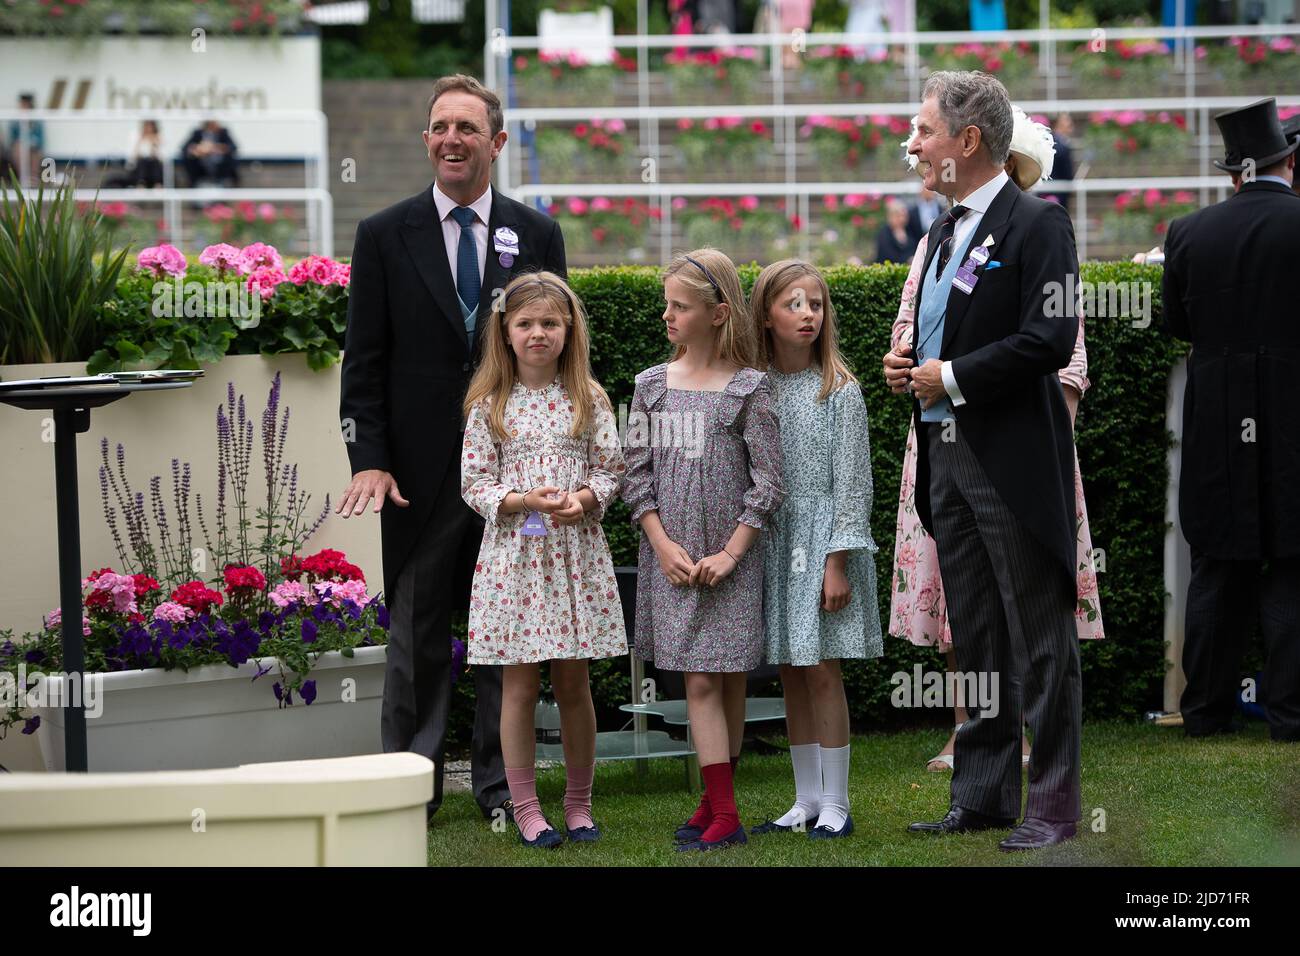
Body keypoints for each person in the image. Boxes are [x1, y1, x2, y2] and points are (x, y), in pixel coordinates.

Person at [337, 74, 568, 823]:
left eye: (467, 128)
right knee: (416, 640)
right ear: (427, 139)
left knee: (510, 638)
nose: (451, 140)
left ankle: (505, 791)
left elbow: (558, 355)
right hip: (417, 476)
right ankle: (411, 791)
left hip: (518, 476)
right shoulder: (381, 235)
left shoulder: (536, 235)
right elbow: (363, 362)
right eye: (439, 127)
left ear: (496, 142)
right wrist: (368, 458)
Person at [882, 71, 1082, 851]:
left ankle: (1057, 810)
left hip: (1011, 462)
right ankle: (985, 797)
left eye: (924, 130)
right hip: (946, 459)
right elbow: (946, 335)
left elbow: (1051, 339)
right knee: (978, 639)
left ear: (967, 141)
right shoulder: (937, 232)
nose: (913, 143)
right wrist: (911, 366)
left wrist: (952, 376)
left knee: (1039, 641)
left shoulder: (1039, 224)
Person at [623, 247, 784, 852]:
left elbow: (769, 482)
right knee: (700, 683)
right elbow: (635, 476)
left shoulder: (749, 389)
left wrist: (733, 553)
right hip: (674, 561)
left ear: (718, 315)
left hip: (729, 561)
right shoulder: (650, 388)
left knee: (726, 682)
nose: (667, 316)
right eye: (666, 304)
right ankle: (720, 808)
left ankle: (722, 810)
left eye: (680, 306)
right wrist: (661, 546)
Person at [460, 271, 628, 847]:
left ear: (568, 330)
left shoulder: (589, 397)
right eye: (526, 323)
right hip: (516, 562)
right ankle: (527, 807)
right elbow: (474, 481)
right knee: (519, 688)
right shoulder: (490, 405)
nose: (538, 333)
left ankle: (579, 803)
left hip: (573, 555)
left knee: (574, 683)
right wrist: (520, 501)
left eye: (550, 323)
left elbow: (612, 469)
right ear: (505, 332)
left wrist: (581, 501)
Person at [1162, 97, 1300, 743]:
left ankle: (1206, 710)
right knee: (1292, 562)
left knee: (1217, 560)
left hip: (1217, 414)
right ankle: (1289, 715)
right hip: (1292, 407)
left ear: (1232, 171)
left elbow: (1177, 326)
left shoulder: (1188, 232)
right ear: (1288, 160)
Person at [748, 259, 881, 840]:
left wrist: (837, 562)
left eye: (817, 304)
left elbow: (854, 482)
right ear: (766, 317)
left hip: (823, 542)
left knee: (823, 669)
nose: (808, 315)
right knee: (791, 669)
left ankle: (837, 801)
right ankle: (803, 799)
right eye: (793, 305)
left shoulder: (840, 391)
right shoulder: (754, 388)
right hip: (773, 540)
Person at [181, 119, 238, 187]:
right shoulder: (197, 133)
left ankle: (223, 179)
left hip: (220, 167)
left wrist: (215, 148)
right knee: (189, 159)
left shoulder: (223, 132)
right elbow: (185, 148)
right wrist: (198, 149)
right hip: (201, 167)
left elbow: (233, 147)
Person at [7, 93, 45, 186]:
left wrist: (30, 143)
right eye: (22, 104)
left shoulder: (37, 120)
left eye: (25, 104)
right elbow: (12, 139)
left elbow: (41, 140)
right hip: (19, 148)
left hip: (33, 148)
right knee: (18, 147)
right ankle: (23, 178)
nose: (23, 106)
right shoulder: (15, 121)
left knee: (34, 152)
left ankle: (33, 178)